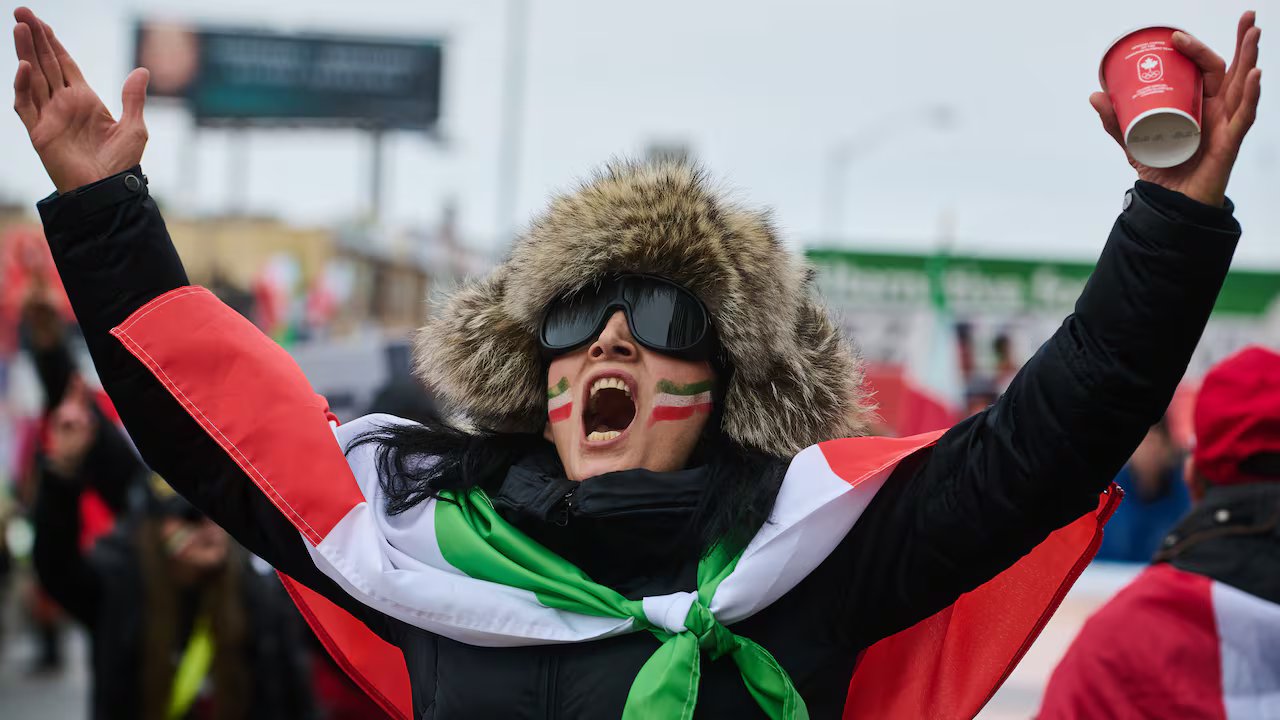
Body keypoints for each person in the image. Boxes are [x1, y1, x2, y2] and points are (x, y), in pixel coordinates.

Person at [10, 6, 1263, 718]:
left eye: (659, 316)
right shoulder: (426, 551)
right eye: (573, 320)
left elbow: (1052, 436)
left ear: (720, 386)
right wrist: (106, 209)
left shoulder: (815, 554)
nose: (609, 338)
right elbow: (221, 427)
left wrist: (1169, 213)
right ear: (543, 382)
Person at [32, 381, 320, 720]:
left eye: (217, 514)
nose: (208, 527)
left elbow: (296, 699)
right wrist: (63, 471)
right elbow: (56, 568)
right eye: (190, 516)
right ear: (156, 529)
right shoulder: (121, 586)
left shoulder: (259, 596)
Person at [1039, 346, 1280, 719]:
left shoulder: (1115, 650)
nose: (1146, 451)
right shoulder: (1106, 496)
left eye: (1153, 439)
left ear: (1191, 475)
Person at [1095, 418, 1192, 563]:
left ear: (1167, 448)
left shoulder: (1184, 495)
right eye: (1143, 443)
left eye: (1154, 443)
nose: (1148, 452)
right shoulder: (1109, 492)